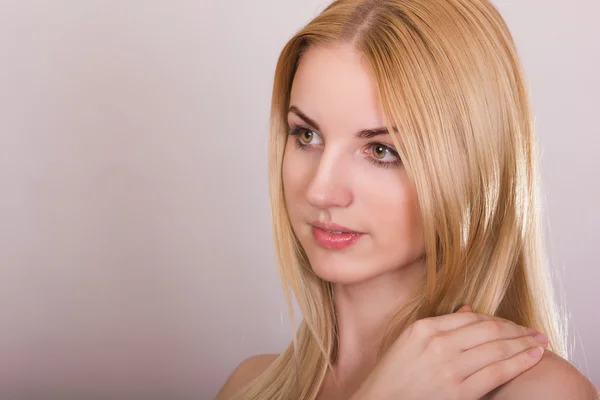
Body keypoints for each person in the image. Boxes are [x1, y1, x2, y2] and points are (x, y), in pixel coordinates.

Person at [217, 0, 599, 398]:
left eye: (382, 150)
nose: (320, 191)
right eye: (307, 136)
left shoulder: (541, 393)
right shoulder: (248, 385)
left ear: (471, 168)